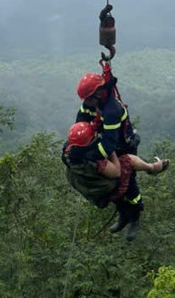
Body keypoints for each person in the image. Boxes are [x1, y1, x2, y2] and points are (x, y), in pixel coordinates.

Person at [61, 64, 168, 241]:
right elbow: (81, 120)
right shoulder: (92, 103)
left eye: (88, 99)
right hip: (103, 143)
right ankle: (123, 215)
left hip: (121, 144)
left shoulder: (112, 110)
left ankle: (134, 217)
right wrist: (75, 145)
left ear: (97, 94)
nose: (85, 103)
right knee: (112, 188)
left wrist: (87, 154)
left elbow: (108, 145)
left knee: (128, 184)